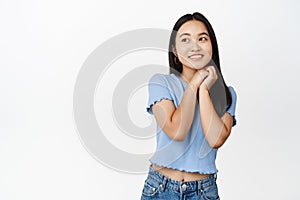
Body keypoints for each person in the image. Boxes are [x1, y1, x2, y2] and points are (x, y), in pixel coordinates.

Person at [141, 12, 237, 200]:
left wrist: (204, 90)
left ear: (211, 46)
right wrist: (194, 83)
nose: (195, 46)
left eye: (202, 38)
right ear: (175, 51)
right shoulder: (161, 83)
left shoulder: (227, 94)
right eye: (185, 40)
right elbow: (177, 131)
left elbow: (215, 139)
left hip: (204, 192)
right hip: (160, 189)